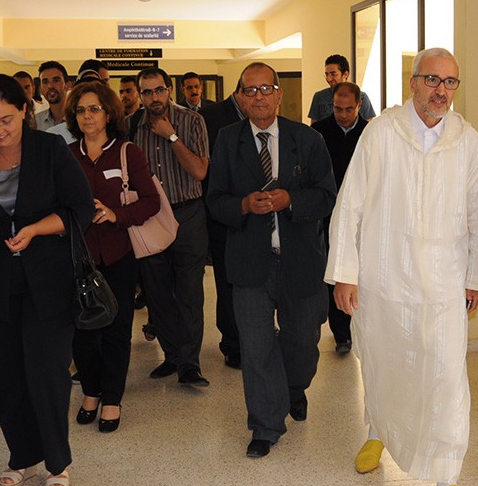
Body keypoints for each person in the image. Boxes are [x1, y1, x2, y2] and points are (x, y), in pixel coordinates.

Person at [326, 48, 478, 486]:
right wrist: (345, 272)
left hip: (444, 283)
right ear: (413, 82)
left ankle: (447, 478)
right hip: (385, 277)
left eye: (450, 82)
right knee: (384, 362)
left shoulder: (466, 140)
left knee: (447, 377)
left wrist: (476, 276)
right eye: (432, 80)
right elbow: (351, 204)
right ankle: (378, 431)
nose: (441, 90)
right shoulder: (381, 133)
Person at [0, 74, 94, 486]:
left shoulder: (50, 149)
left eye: (7, 119)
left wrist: (35, 229)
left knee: (47, 372)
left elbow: (80, 208)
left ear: (25, 110)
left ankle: (57, 461)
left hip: (48, 279)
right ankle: (22, 456)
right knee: (7, 374)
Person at [206, 63, 336, 458]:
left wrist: (291, 200)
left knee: (303, 341)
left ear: (279, 95)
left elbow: (327, 196)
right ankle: (264, 425)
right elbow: (215, 201)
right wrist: (244, 205)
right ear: (240, 98)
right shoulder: (227, 140)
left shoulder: (308, 139)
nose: (259, 96)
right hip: (250, 264)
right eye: (251, 90)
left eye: (266, 89)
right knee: (256, 345)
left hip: (300, 260)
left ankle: (294, 388)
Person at [65, 78, 160, 432]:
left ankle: (112, 399)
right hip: (77, 258)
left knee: (116, 330)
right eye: (81, 110)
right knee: (82, 330)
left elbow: (150, 201)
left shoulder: (126, 152)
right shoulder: (67, 155)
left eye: (94, 109)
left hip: (118, 255)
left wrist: (116, 214)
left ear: (108, 113)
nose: (87, 116)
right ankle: (91, 392)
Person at [133, 66, 212, 387]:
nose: (154, 98)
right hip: (150, 218)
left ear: (169, 90)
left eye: (159, 90)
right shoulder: (131, 126)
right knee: (158, 294)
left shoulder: (192, 121)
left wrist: (172, 136)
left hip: (188, 215)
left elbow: (200, 171)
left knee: (190, 293)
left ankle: (190, 364)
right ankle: (173, 356)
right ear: (140, 95)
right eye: (147, 92)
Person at [311, 82, 368, 353]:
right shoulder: (319, 132)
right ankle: (341, 333)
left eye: (348, 109)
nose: (343, 115)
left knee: (359, 268)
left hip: (362, 213)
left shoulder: (370, 132)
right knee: (335, 269)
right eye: (337, 109)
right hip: (329, 211)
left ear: (359, 105)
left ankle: (360, 326)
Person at [200, 84, 248, 369]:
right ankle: (232, 343)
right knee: (227, 281)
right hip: (222, 213)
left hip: (258, 214)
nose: (258, 98)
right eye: (252, 91)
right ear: (240, 91)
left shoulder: (263, 119)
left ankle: (256, 335)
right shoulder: (210, 118)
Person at [306, 54, 375, 125]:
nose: (329, 79)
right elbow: (314, 127)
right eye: (326, 74)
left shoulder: (362, 97)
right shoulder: (319, 97)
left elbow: (368, 126)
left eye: (333, 74)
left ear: (345, 74)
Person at [34, 61, 69, 131]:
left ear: (67, 85)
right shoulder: (36, 122)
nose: (50, 86)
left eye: (56, 80)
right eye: (45, 82)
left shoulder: (78, 118)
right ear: (40, 89)